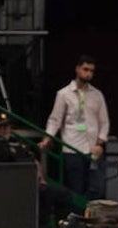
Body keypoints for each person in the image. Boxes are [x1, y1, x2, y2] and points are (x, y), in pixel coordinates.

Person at [38, 55, 110, 200]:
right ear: (77, 69)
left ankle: (90, 218)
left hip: (92, 149)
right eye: (85, 69)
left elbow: (104, 122)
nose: (88, 73)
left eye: (91, 71)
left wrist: (100, 143)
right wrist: (48, 138)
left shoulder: (97, 95)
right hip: (72, 148)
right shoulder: (64, 94)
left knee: (96, 188)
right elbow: (55, 119)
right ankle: (76, 218)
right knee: (75, 189)